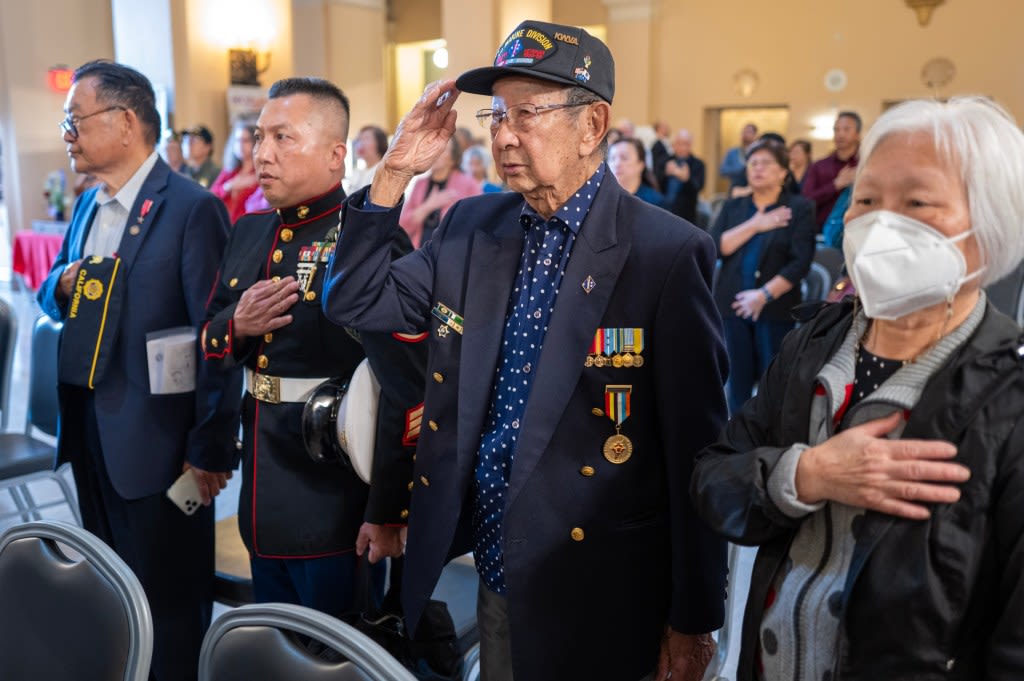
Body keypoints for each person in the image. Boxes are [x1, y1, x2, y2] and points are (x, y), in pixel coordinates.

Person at [322, 19, 729, 681]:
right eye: (497, 115)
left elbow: (697, 452)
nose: (504, 135)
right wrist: (394, 169)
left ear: (593, 126)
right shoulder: (471, 226)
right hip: (497, 563)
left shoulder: (664, 253)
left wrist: (693, 615)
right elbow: (355, 300)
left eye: (527, 114)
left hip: (604, 580)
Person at [691, 96, 1024, 680]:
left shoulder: (1008, 395)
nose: (881, 223)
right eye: (866, 200)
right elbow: (715, 481)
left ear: (988, 226)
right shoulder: (813, 346)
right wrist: (806, 475)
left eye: (916, 202)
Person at [38, 59, 239, 681]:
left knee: (171, 601)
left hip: (160, 441)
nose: (67, 133)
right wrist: (63, 283)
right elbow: (52, 293)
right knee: (113, 588)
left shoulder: (189, 208)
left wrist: (208, 448)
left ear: (126, 123)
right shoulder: (89, 207)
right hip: (92, 427)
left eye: (77, 119)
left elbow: (218, 336)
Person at [201, 77, 426, 619]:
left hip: (336, 493)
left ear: (335, 155)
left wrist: (389, 508)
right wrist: (240, 323)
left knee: (337, 655)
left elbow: (404, 383)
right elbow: (210, 335)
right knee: (273, 646)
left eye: (283, 138)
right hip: (262, 484)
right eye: (258, 139)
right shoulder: (251, 231)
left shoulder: (368, 237)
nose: (263, 154)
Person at [710, 139, 815, 415]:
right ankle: (735, 443)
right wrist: (756, 225)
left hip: (775, 307)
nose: (757, 169)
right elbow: (715, 246)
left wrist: (763, 295)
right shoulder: (734, 207)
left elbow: (800, 262)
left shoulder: (799, 207)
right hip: (731, 305)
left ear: (783, 171)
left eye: (766, 163)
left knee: (773, 382)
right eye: (753, 163)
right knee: (737, 384)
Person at [399, 136, 481, 247]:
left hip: (452, 254)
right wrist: (428, 206)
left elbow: (477, 224)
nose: (435, 154)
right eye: (432, 149)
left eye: (442, 150)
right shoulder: (420, 184)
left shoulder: (469, 184)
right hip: (419, 254)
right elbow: (403, 226)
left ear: (453, 158)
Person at [803, 111, 861, 230]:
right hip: (821, 233)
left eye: (846, 129)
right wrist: (835, 185)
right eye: (836, 130)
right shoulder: (819, 166)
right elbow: (806, 201)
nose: (840, 134)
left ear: (857, 134)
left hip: (858, 230)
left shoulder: (865, 164)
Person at [211, 119, 259, 223]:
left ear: (255, 143)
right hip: (225, 227)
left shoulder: (260, 173)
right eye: (237, 140)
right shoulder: (229, 171)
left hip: (249, 227)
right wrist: (229, 186)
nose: (240, 145)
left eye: (245, 140)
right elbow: (211, 196)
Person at [663, 128, 706, 225]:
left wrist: (686, 179)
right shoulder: (665, 161)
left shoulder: (698, 164)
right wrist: (665, 173)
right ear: (674, 145)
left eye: (686, 144)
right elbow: (656, 184)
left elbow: (699, 187)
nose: (683, 148)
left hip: (687, 215)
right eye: (679, 144)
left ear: (690, 145)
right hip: (664, 211)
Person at [608, 137, 664, 206]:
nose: (617, 164)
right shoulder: (601, 197)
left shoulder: (655, 201)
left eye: (624, 158)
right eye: (612, 158)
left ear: (641, 165)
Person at [345, 124, 388, 194]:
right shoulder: (357, 172)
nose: (360, 143)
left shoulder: (385, 172)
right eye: (359, 139)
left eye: (366, 138)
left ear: (380, 142)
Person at [720, 122, 757, 187]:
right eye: (744, 132)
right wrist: (742, 170)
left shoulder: (759, 153)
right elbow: (723, 170)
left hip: (755, 187)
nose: (746, 135)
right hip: (736, 187)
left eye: (749, 132)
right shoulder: (733, 152)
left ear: (755, 135)